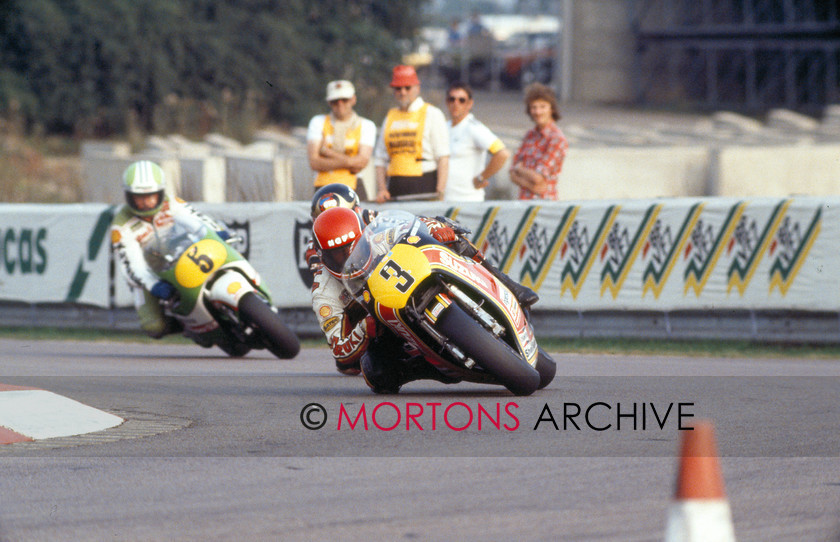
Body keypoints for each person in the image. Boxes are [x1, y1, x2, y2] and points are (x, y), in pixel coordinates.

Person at [308, 186, 539, 392]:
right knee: (375, 373)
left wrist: (436, 229)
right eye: (338, 253)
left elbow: (413, 224)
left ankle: (507, 284)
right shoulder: (323, 291)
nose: (348, 255)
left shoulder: (376, 233)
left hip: (413, 276)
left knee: (451, 236)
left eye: (353, 246)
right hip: (382, 324)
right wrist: (365, 328)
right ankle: (430, 367)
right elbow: (340, 351)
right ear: (321, 254)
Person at [110, 160, 231, 340]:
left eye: (151, 196)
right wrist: (153, 284)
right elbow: (132, 264)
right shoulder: (120, 226)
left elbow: (196, 220)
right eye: (139, 197)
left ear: (160, 192)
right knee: (154, 327)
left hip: (182, 256)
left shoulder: (172, 203)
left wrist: (215, 232)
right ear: (129, 196)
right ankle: (187, 325)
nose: (146, 203)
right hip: (149, 274)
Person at [373, 65, 449, 203]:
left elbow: (443, 157)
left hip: (424, 183)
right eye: (398, 88)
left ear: (417, 88)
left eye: (407, 87)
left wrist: (440, 191)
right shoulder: (390, 116)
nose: (402, 92)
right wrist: (382, 189)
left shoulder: (432, 113)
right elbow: (380, 159)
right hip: (394, 185)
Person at [306, 80, 377, 201]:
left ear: (353, 100)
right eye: (335, 101)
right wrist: (351, 162)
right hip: (323, 186)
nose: (340, 105)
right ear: (329, 102)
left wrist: (327, 152)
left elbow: (361, 163)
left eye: (344, 100)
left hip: (353, 186)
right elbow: (314, 163)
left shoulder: (366, 125)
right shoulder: (318, 122)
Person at [444, 82, 509, 202]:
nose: (456, 104)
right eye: (451, 99)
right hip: (445, 198)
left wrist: (481, 177)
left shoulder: (474, 128)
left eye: (461, 100)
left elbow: (502, 153)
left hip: (467, 199)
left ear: (470, 104)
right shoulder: (445, 127)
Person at [509, 83, 568, 200]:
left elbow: (538, 178)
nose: (537, 111)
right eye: (533, 107)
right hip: (524, 202)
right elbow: (511, 174)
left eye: (542, 106)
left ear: (551, 109)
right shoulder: (529, 135)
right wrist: (531, 185)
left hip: (545, 205)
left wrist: (519, 170)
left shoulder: (556, 139)